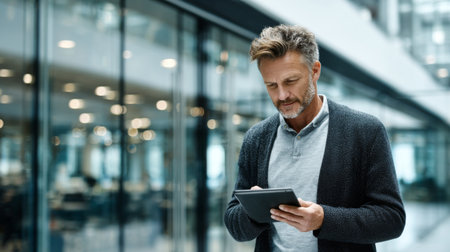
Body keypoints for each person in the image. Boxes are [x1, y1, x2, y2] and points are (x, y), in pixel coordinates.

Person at [224, 24, 405, 252]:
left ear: (315, 71)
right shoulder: (257, 138)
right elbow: (233, 223)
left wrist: (323, 219)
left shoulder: (365, 131)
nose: (282, 95)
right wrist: (253, 211)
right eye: (271, 85)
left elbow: (392, 219)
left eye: (290, 81)